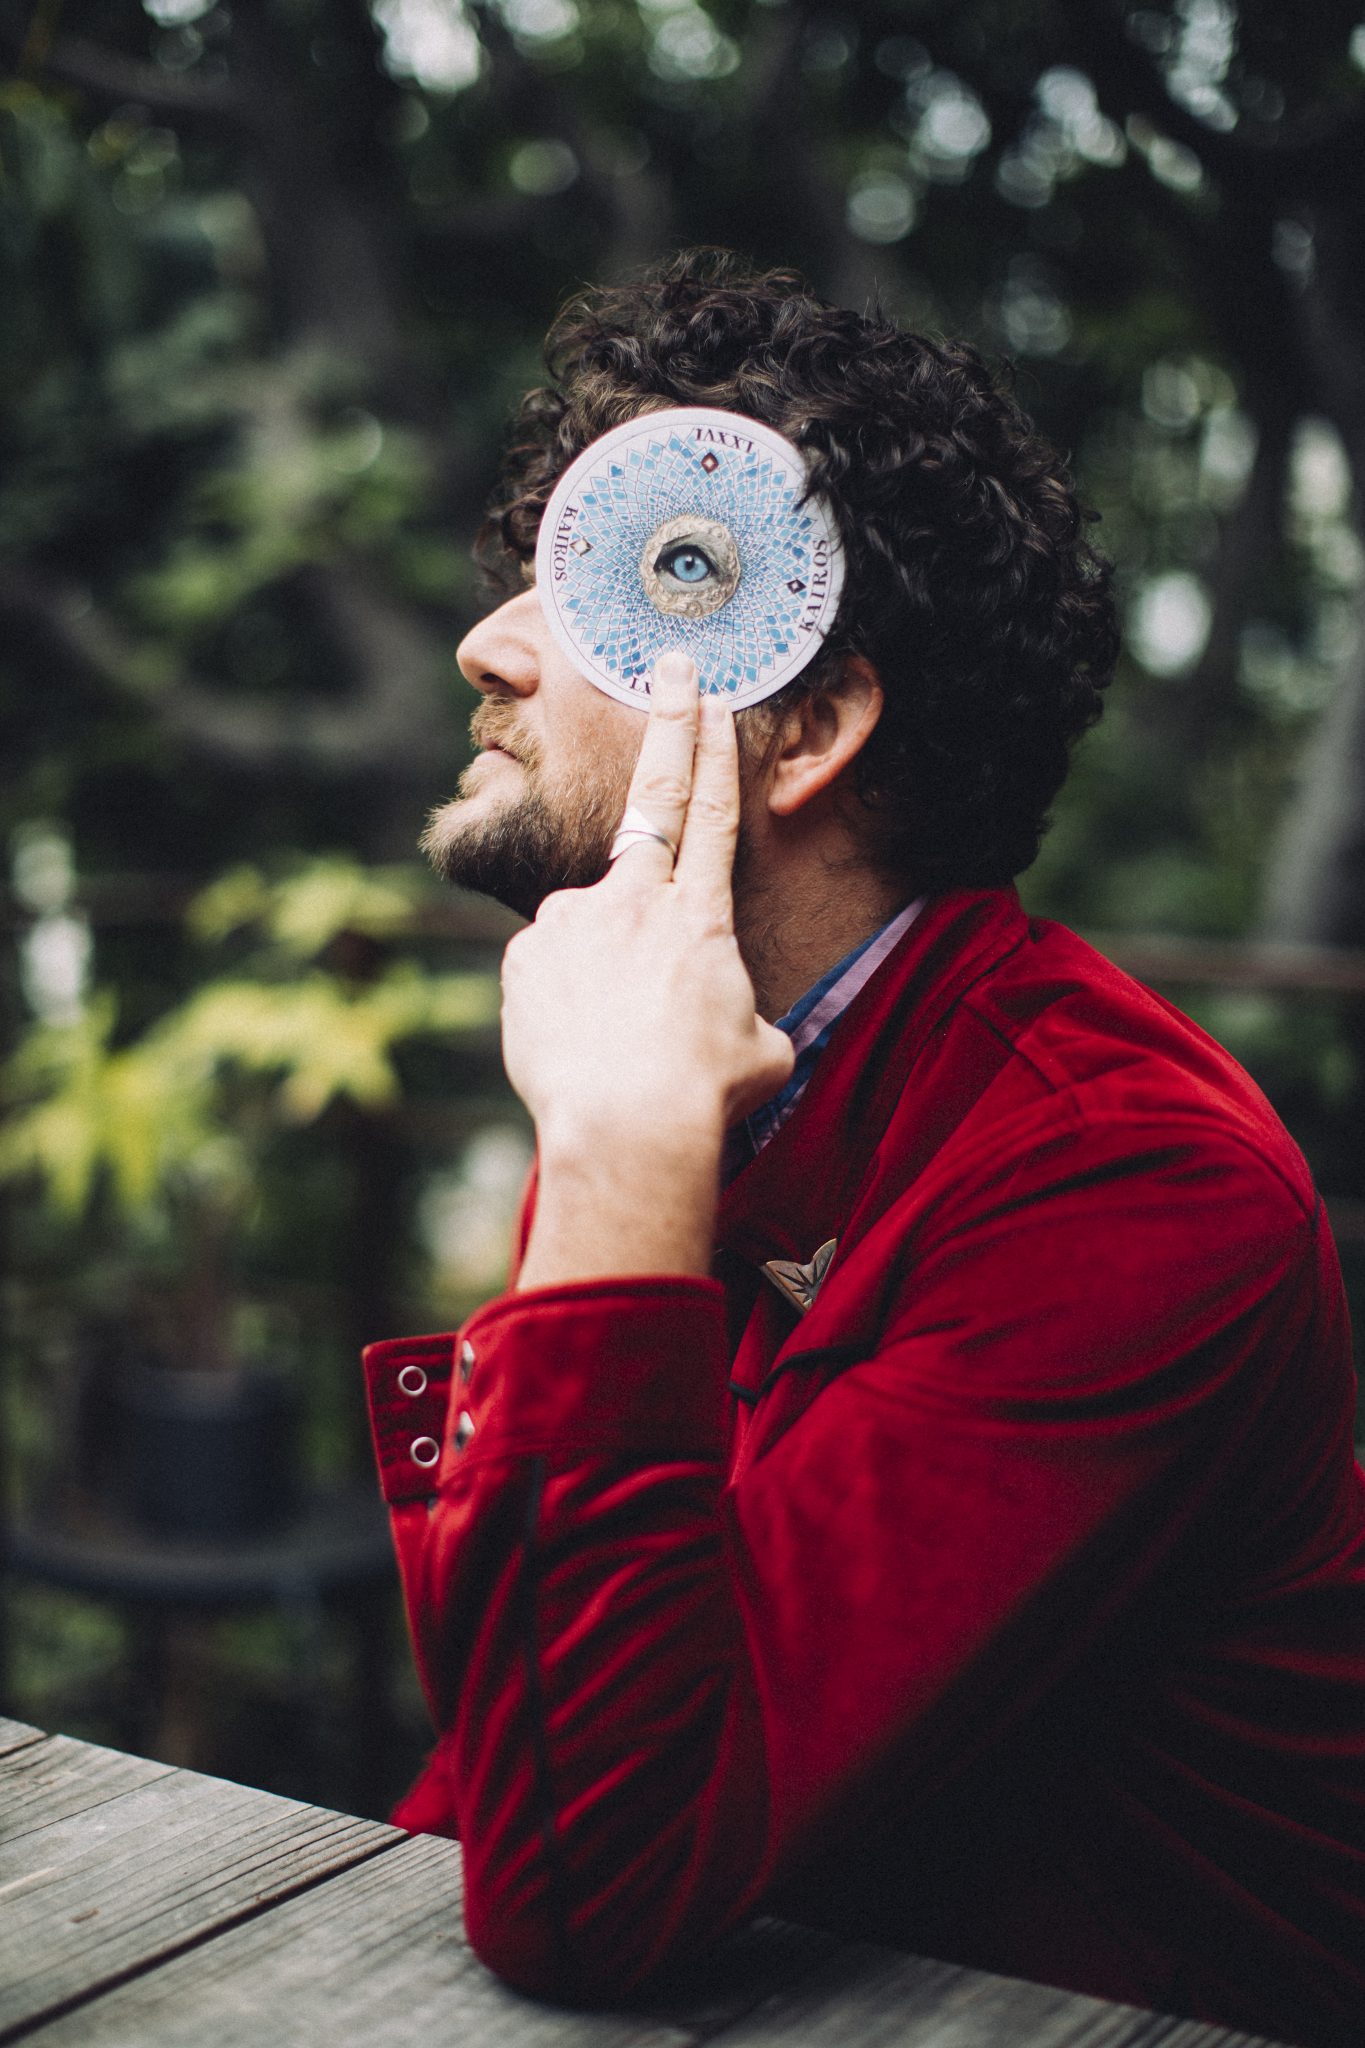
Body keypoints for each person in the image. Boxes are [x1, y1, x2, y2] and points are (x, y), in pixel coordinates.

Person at [363, 253, 1365, 2045]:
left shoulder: (1135, 1187)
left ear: (808, 728)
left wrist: (613, 1161)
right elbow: (518, 1749)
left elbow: (590, 1881)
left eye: (611, 583)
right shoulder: (674, 1050)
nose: (489, 645)